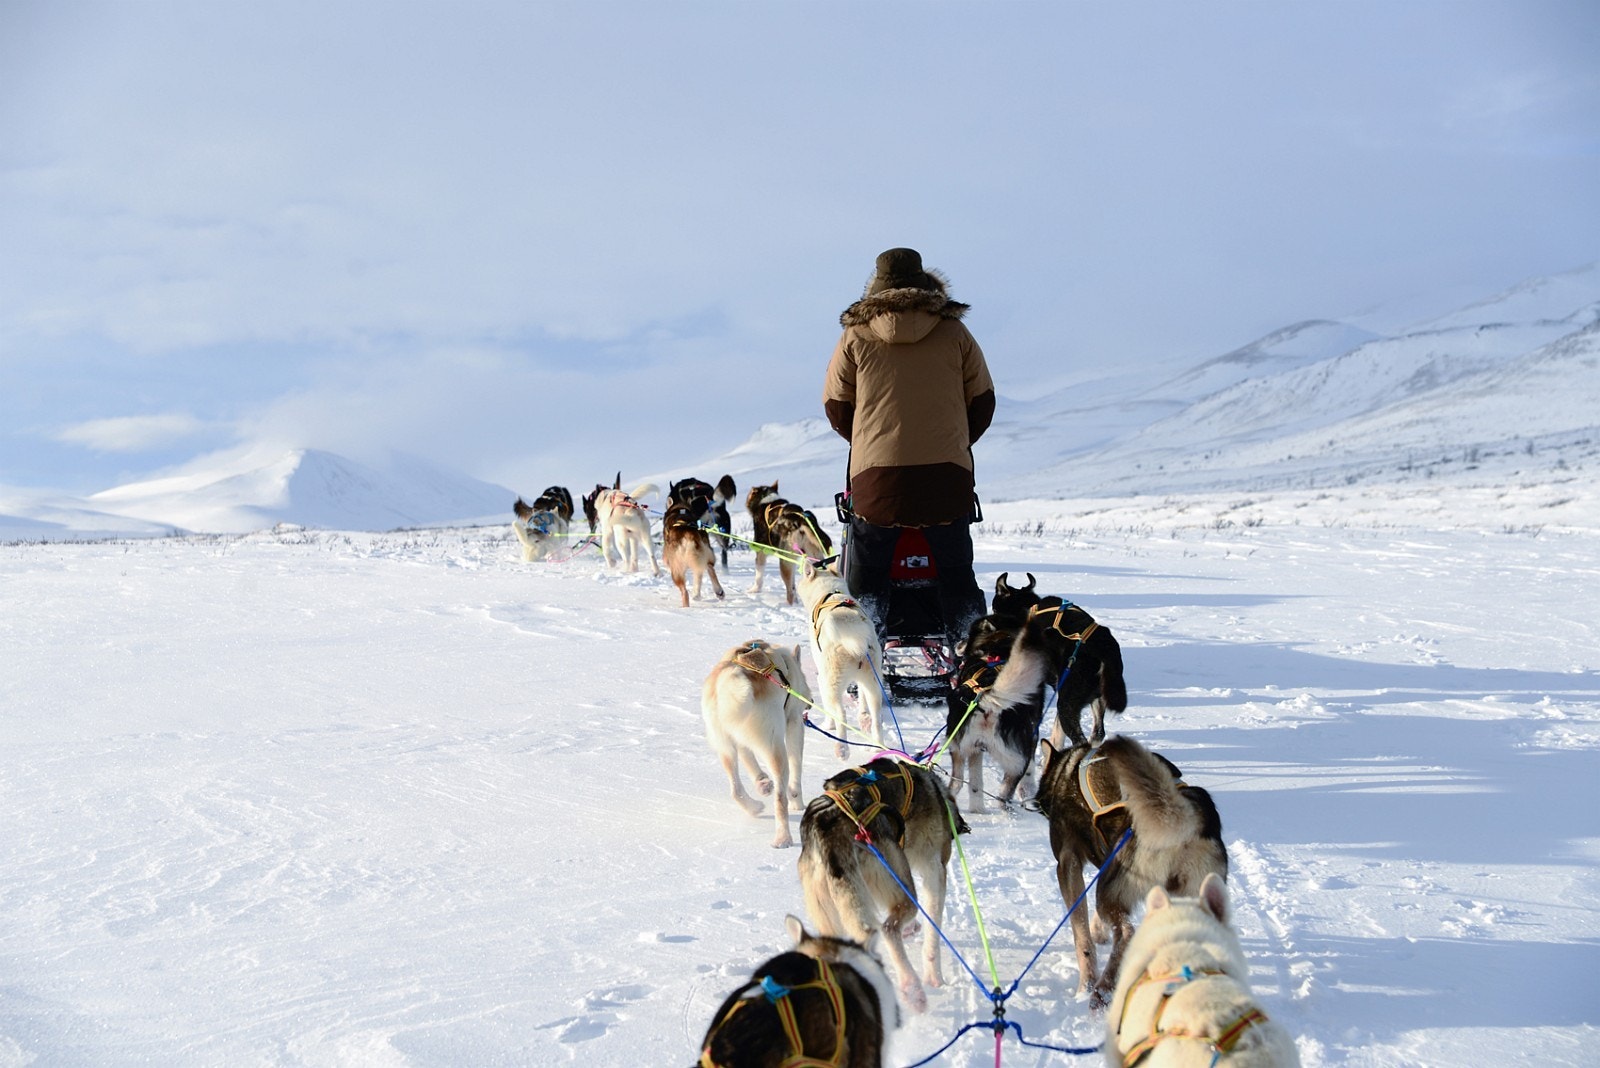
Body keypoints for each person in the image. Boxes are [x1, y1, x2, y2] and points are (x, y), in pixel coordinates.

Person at [822, 247, 995, 653]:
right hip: (946, 480)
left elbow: (835, 405)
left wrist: (867, 441)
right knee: (957, 574)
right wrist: (953, 441)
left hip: (877, 481)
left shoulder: (855, 336)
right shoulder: (955, 332)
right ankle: (974, 656)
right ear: (925, 283)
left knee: (867, 574)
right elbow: (983, 401)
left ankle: (861, 654)